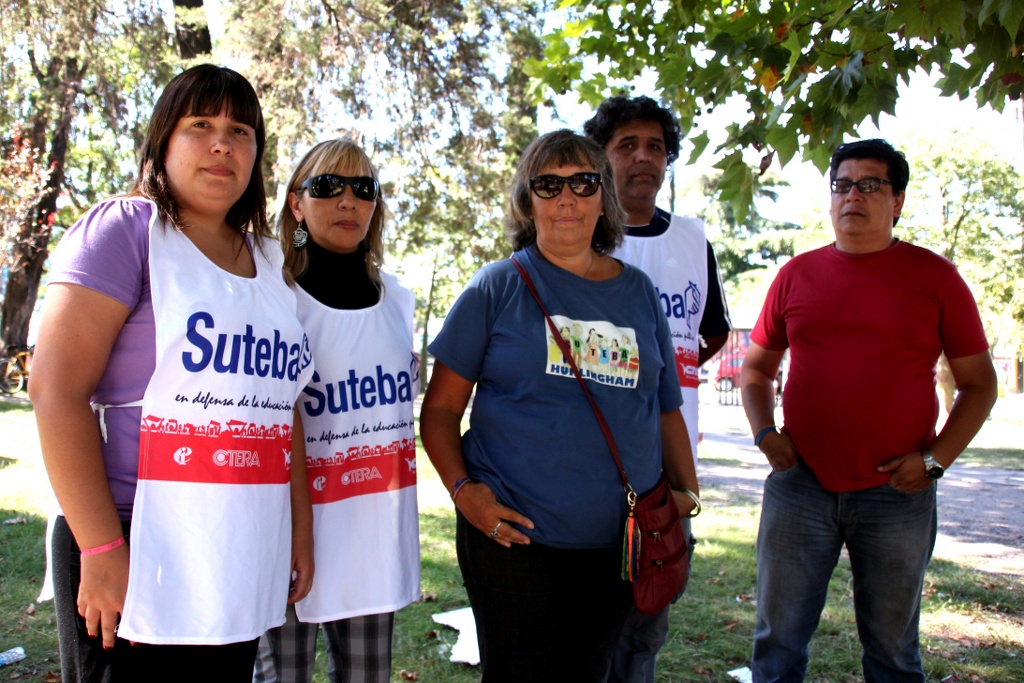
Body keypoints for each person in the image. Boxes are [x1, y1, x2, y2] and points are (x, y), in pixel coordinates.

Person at [30, 64, 315, 682]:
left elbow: (283, 408)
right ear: (163, 139)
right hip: (133, 538)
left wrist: (299, 530)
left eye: (240, 131)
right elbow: (55, 389)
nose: (222, 144)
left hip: (239, 543)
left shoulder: (272, 264)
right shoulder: (124, 230)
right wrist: (101, 548)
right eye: (200, 125)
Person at [419, 129, 700, 683]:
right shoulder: (495, 287)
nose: (566, 198)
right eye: (548, 184)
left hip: (621, 545)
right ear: (528, 201)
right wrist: (464, 492)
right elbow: (441, 410)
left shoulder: (640, 293)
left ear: (604, 198)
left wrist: (686, 495)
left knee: (591, 673)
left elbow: (664, 407)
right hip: (517, 543)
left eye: (582, 183)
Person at [740, 138, 998, 682]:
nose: (851, 195)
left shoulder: (936, 278)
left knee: (893, 654)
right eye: (842, 185)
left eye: (869, 185)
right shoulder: (796, 275)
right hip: (800, 485)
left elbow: (979, 386)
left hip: (897, 493)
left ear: (897, 200)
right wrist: (764, 433)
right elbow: (756, 369)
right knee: (776, 646)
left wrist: (934, 462)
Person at [252, 138, 420, 683]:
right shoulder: (273, 296)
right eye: (328, 186)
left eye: (363, 188)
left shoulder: (397, 301)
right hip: (287, 530)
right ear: (296, 204)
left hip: (372, 535)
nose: (348, 200)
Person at [584, 94, 732, 683]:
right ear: (601, 157)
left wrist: (663, 377)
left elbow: (711, 333)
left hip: (666, 467)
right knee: (588, 622)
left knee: (648, 618)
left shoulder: (693, 241)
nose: (644, 157)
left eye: (656, 146)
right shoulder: (577, 235)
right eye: (627, 145)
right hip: (588, 460)